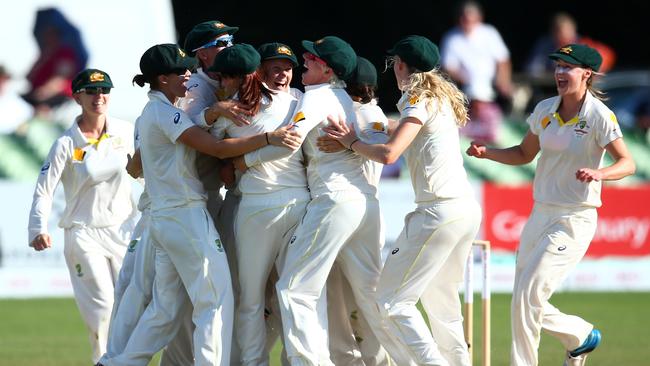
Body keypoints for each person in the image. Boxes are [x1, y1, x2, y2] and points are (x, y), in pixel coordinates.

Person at [99, 43, 300, 366]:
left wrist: (216, 113)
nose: (189, 76)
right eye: (181, 72)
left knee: (165, 309)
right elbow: (217, 149)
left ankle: (116, 363)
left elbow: (135, 166)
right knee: (216, 300)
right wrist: (268, 138)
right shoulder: (166, 113)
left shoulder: (159, 111)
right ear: (162, 79)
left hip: (168, 218)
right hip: (184, 215)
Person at [466, 44, 635, 366]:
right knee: (523, 300)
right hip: (540, 213)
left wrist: (600, 172)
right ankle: (579, 336)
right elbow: (523, 154)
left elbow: (627, 162)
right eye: (557, 66)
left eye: (567, 67)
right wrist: (488, 152)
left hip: (574, 218)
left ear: (587, 73)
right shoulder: (544, 109)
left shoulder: (599, 115)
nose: (559, 72)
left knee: (529, 295)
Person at [324, 34, 481, 366]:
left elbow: (390, 154)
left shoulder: (417, 98)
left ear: (400, 65)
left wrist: (351, 142)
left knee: (391, 301)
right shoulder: (438, 97)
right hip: (465, 209)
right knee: (443, 305)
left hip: (438, 212)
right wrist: (378, 125)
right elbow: (407, 132)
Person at [27, 68, 136, 364]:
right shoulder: (65, 143)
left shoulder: (126, 132)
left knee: (130, 305)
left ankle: (122, 360)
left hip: (123, 229)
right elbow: (44, 190)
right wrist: (38, 228)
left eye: (103, 91)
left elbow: (147, 172)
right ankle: (102, 360)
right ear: (77, 97)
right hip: (83, 232)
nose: (98, 97)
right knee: (102, 304)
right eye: (90, 91)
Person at [210, 43, 309, 366]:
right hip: (257, 207)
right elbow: (216, 149)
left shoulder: (301, 99)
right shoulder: (234, 106)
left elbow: (291, 144)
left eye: (288, 68)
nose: (283, 74)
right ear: (260, 69)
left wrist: (242, 162)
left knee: (292, 296)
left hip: (296, 203)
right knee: (251, 299)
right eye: (276, 67)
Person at [319, 55, 392, 366]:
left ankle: (380, 359)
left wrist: (350, 142)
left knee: (367, 295)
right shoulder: (338, 109)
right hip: (342, 211)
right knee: (336, 296)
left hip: (361, 212)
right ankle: (345, 360)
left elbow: (377, 149)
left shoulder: (370, 112)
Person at [440, 0, 513, 144]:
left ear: (478, 18)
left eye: (470, 18)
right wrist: (466, 81)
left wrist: (503, 81)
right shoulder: (451, 38)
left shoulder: (490, 33)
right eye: (463, 18)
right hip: (463, 90)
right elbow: (448, 67)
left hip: (491, 87)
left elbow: (503, 60)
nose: (466, 21)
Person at [23, 7, 88, 116]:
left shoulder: (65, 54)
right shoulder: (46, 54)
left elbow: (61, 78)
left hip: (55, 102)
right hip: (36, 101)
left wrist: (44, 92)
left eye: (50, 33)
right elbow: (29, 76)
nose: (46, 36)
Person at [525, 12, 617, 78]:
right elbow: (533, 69)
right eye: (557, 30)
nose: (561, 34)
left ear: (573, 29)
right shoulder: (545, 45)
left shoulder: (583, 44)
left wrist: (592, 71)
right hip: (550, 88)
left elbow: (607, 56)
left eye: (565, 30)